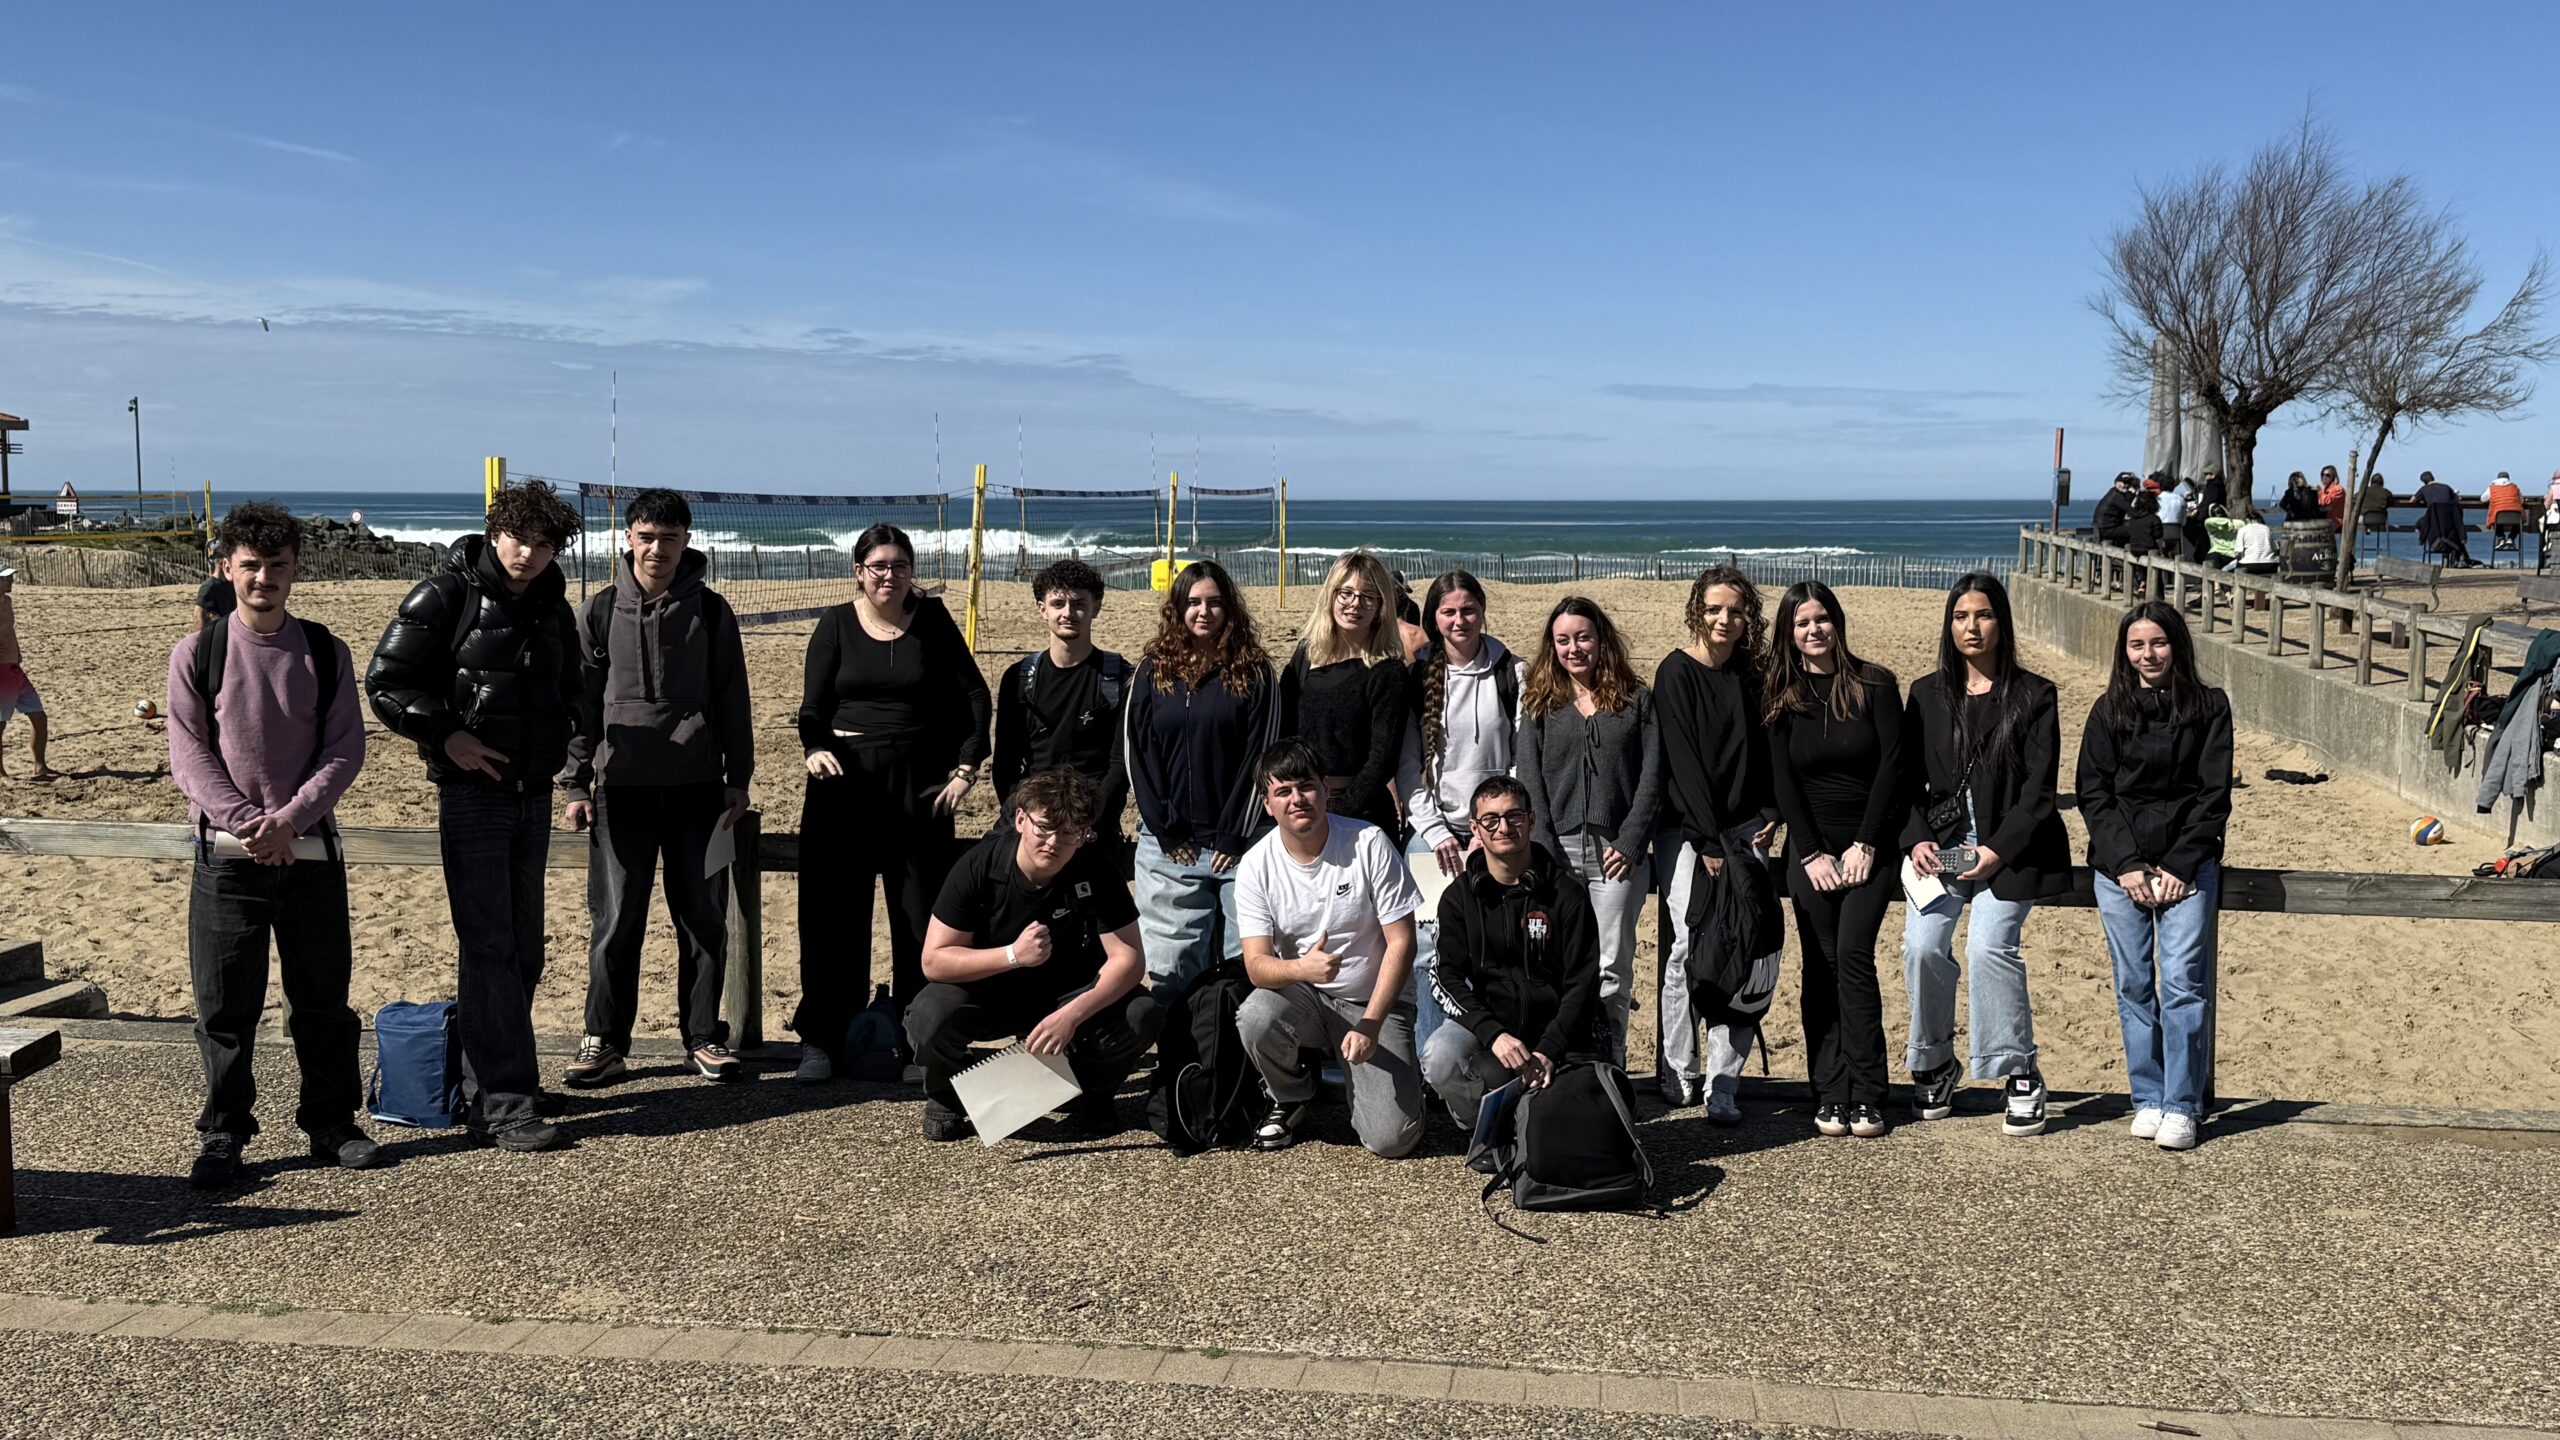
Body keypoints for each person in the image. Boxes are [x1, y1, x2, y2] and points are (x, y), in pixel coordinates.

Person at [366, 480, 585, 1152]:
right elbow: (384, 682)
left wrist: (573, 764)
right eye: (520, 537)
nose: (529, 553)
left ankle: (490, 1080)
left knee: (523, 946)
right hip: (472, 794)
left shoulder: (553, 608)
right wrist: (446, 736)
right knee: (490, 944)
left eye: (544, 544)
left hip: (533, 791)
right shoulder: (446, 594)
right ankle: (506, 1105)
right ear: (496, 532)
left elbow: (570, 692)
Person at [168, 502, 373, 1188]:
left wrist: (290, 820)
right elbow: (189, 756)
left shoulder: (325, 650)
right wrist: (250, 826)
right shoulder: (198, 653)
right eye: (250, 566)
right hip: (227, 860)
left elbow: (345, 750)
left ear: (295, 571)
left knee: (322, 1001)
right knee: (226, 1009)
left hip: (311, 854)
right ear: (226, 569)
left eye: (276, 567)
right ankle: (225, 1132)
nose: (263, 579)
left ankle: (332, 1121)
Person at [558, 488, 755, 1089]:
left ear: (686, 541)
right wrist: (574, 782)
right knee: (617, 921)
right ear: (628, 538)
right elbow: (581, 706)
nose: (657, 549)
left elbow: (732, 698)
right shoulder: (596, 611)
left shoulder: (713, 612)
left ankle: (702, 1037)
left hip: (697, 789)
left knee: (701, 918)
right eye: (646, 537)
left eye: (669, 538)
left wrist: (737, 778)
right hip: (622, 789)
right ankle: (605, 1042)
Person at [794, 522, 992, 1082]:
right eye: (878, 566)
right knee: (833, 918)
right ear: (859, 571)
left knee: (918, 918)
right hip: (845, 784)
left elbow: (975, 694)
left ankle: (913, 1042)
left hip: (918, 786)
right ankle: (823, 1041)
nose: (889, 575)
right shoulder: (835, 624)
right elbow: (812, 707)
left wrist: (967, 766)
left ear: (911, 572)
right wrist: (814, 748)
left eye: (899, 565)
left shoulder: (931, 622)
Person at [1898, 574, 2072, 1136]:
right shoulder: (1925, 694)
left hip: (2012, 851)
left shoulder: (2034, 695)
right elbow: (1904, 781)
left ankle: (2019, 1071)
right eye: (1960, 617)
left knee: (1987, 945)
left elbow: (2040, 792)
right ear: (1948, 625)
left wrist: (1996, 850)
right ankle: (1934, 1062)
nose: (1971, 627)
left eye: (1983, 615)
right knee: (1922, 947)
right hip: (1941, 854)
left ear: (2002, 622)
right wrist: (1917, 836)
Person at [909, 767, 1161, 1141]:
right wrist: (1012, 955)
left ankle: (1090, 1092)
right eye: (1043, 828)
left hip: (1067, 994)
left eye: (1069, 833)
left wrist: (1071, 1015)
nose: (1053, 843)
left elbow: (1129, 960)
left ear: (1085, 833)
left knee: (1143, 1012)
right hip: (990, 991)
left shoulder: (1094, 868)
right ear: (1021, 819)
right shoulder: (979, 866)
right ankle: (949, 1096)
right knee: (930, 1013)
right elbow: (934, 960)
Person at [2077, 601, 2233, 1153]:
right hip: (2121, 871)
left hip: (2186, 869)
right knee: (2134, 984)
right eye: (2138, 645)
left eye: (2159, 643)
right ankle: (2147, 1096)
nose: (2149, 654)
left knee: (2184, 984)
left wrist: (2179, 866)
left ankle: (2183, 1104)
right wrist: (2126, 865)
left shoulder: (2210, 707)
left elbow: (2213, 797)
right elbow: (2094, 794)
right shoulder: (2108, 710)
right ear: (2125, 651)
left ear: (2177, 646)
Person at [1234, 739, 1427, 1156]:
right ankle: (1291, 1094)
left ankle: (1367, 1082)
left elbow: (1403, 942)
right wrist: (1304, 970)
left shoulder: (1368, 842)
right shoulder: (1255, 864)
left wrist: (1371, 1024)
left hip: (1374, 1004)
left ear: (1325, 788)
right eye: (1282, 791)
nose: (1297, 799)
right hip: (1307, 996)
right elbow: (1256, 966)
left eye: (1305, 786)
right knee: (1255, 1016)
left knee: (1392, 1141)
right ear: (1267, 804)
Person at [1765, 581, 1903, 1139]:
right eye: (1801, 623)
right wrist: (1811, 850)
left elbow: (1894, 766)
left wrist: (1866, 843)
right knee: (1818, 966)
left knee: (1852, 957)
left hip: (1869, 847)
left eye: (1821, 619)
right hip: (1812, 849)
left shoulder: (1875, 684)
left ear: (1836, 621)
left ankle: (1869, 1092)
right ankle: (1828, 1090)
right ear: (1789, 633)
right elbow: (1784, 781)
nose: (1813, 630)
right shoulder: (1782, 695)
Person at [1649, 564, 1778, 1118]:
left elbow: (1768, 752)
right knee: (1686, 946)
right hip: (1688, 833)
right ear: (1696, 611)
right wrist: (1706, 843)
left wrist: (1771, 810)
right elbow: (1684, 762)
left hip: (1748, 830)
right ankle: (1679, 1067)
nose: (1725, 619)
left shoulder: (1750, 675)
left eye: (1736, 610)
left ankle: (1723, 1080)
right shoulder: (1675, 673)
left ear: (1749, 617)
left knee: (1745, 950)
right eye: (1714, 608)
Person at [1516, 595, 1658, 1066]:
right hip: (1556, 852)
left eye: (1582, 637)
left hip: (1618, 852)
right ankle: (1564, 1053)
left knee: (1612, 961)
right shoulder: (1540, 702)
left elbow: (1653, 776)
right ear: (1551, 646)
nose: (1573, 648)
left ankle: (1610, 1053)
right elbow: (1529, 777)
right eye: (1563, 640)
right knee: (1558, 960)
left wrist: (1632, 838)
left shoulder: (1637, 700)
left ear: (1601, 640)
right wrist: (1543, 848)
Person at [1126, 559, 1278, 995]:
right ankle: (1180, 1061)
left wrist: (1234, 834)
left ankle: (1234, 1060)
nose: (1203, 612)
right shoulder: (1152, 670)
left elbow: (1262, 758)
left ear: (1229, 609)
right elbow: (1138, 753)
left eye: (1214, 602)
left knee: (1244, 967)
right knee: (1172, 969)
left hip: (1242, 846)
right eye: (1193, 602)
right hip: (1171, 849)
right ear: (1178, 609)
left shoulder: (1255, 673)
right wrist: (1167, 830)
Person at [1422, 776, 1602, 1131]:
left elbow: (1583, 983)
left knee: (1561, 1130)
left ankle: (1529, 1113)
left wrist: (1550, 1049)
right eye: (1491, 819)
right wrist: (1493, 1034)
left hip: (1556, 1042)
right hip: (1494, 1038)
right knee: (1440, 1057)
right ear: (1475, 827)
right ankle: (1483, 1129)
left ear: (1531, 821)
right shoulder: (1458, 898)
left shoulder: (1568, 894)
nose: (1503, 827)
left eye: (1514, 816)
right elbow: (1445, 977)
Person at [1394, 569, 1523, 1059]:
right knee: (1428, 949)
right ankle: (1432, 1063)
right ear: (1434, 618)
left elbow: (1517, 759)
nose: (1459, 620)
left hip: (1494, 830)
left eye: (1468, 610)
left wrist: (1489, 827)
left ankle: (1488, 1056)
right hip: (1435, 834)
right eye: (1448, 612)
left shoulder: (1512, 672)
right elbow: (1409, 769)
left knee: (1493, 946)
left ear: (1482, 611)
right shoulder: (1419, 675)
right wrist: (1436, 831)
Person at [991, 559, 1130, 846]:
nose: (1068, 613)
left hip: (1091, 819)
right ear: (1042, 609)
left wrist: (1084, 819)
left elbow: (1119, 768)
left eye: (1079, 603)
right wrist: (1031, 816)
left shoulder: (1120, 677)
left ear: (1097, 606)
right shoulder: (1019, 678)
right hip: (1033, 814)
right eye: (1058, 603)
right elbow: (1004, 766)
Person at [1279, 551, 1411, 833]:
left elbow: (1382, 759)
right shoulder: (1306, 655)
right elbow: (1285, 732)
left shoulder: (1387, 671)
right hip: (1303, 804)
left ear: (1380, 605)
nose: (1355, 604)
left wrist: (1340, 810)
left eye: (1368, 596)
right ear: (1332, 595)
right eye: (1346, 593)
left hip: (1362, 813)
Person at [0, 567, 51, 781]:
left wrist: (17, 652)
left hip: (14, 669)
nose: (11, 580)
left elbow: (9, 631)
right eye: (6, 577)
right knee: (0, 724)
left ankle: (40, 767)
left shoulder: (7, 602)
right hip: (1, 670)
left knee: (39, 717)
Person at [2413, 471, 2478, 567]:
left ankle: (2429, 541)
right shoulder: (2446, 487)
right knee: (2450, 529)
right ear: (2433, 477)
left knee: (2420, 524)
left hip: (2434, 520)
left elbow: (2412, 500)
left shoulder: (2424, 489)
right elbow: (2457, 499)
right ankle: (2454, 555)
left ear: (2423, 482)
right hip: (2450, 521)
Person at [194, 545, 237, 632]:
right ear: (221, 563)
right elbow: (199, 614)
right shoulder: (209, 586)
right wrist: (201, 639)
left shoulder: (231, 584)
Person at [2486, 471, 2527, 556]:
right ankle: (2511, 539)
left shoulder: (2492, 488)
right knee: (2519, 522)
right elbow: (2521, 500)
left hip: (2499, 515)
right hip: (2515, 516)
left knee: (2496, 521)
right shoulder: (2514, 487)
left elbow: (2483, 498)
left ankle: (2501, 538)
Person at [2232, 504, 2279, 577]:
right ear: (2260, 519)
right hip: (2269, 564)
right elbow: (2275, 549)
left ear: (2247, 519)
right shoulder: (2267, 529)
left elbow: (2238, 552)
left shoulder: (2243, 530)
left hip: (2249, 565)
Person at [2092, 472, 2138, 547]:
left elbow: (2125, 506)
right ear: (2116, 482)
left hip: (2101, 528)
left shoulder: (2113, 492)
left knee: (2129, 527)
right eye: (2122, 483)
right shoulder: (2116, 497)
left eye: (2127, 483)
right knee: (2137, 529)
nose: (2124, 485)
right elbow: (2133, 512)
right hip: (2107, 529)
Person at [2317, 465, 2348, 533]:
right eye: (2322, 475)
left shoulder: (2338, 489)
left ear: (2333, 476)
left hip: (2336, 524)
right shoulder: (2324, 490)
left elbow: (2327, 502)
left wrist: (2319, 492)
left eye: (2327, 475)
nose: (2324, 477)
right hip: (2327, 522)